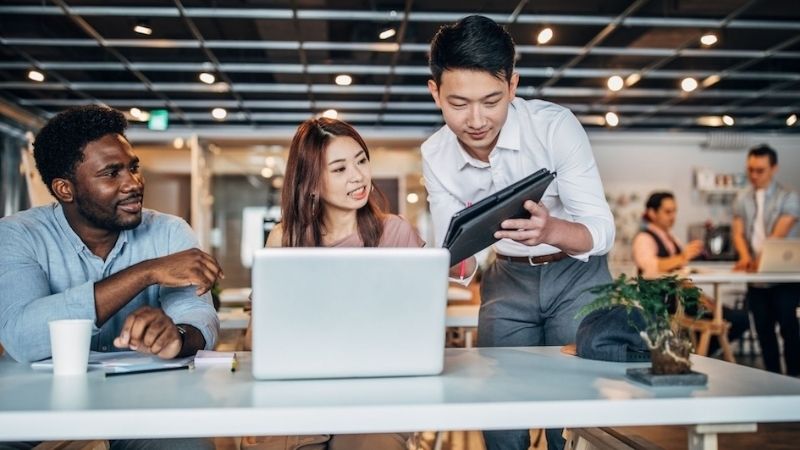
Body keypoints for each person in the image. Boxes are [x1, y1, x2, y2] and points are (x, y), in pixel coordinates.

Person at [423, 15, 614, 450]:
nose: (476, 120)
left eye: (492, 101)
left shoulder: (554, 127)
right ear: (435, 92)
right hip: (506, 280)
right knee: (501, 413)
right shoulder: (435, 155)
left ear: (512, 86)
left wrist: (552, 229)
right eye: (458, 103)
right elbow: (453, 255)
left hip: (578, 277)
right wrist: (451, 257)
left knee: (572, 419)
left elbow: (602, 231)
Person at [0, 105, 222, 450]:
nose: (132, 184)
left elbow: (199, 318)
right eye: (111, 173)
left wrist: (176, 338)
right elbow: (22, 337)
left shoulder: (169, 232)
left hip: (141, 408)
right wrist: (144, 273)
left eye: (133, 167)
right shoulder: (18, 235)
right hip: (35, 411)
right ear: (65, 189)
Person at [242, 117, 422, 450]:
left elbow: (417, 332)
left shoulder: (396, 233)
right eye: (339, 169)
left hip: (376, 392)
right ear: (311, 183)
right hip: (298, 390)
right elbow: (256, 339)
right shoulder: (286, 238)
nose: (358, 176)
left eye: (362, 161)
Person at [632, 191, 748, 355]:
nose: (673, 216)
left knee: (738, 318)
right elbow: (649, 267)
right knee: (739, 319)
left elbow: (680, 272)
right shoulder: (644, 238)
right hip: (665, 302)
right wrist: (683, 257)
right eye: (667, 211)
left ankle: (698, 350)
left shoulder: (672, 238)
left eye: (674, 211)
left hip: (682, 298)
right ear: (652, 212)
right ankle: (699, 351)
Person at [731, 144, 800, 376]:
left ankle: (793, 380)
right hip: (756, 279)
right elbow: (738, 232)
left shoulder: (788, 197)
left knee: (789, 330)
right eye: (750, 170)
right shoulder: (742, 198)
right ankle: (771, 378)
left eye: (760, 170)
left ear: (773, 168)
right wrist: (744, 256)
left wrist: (758, 260)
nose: (754, 175)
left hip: (782, 277)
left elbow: (778, 234)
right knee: (763, 330)